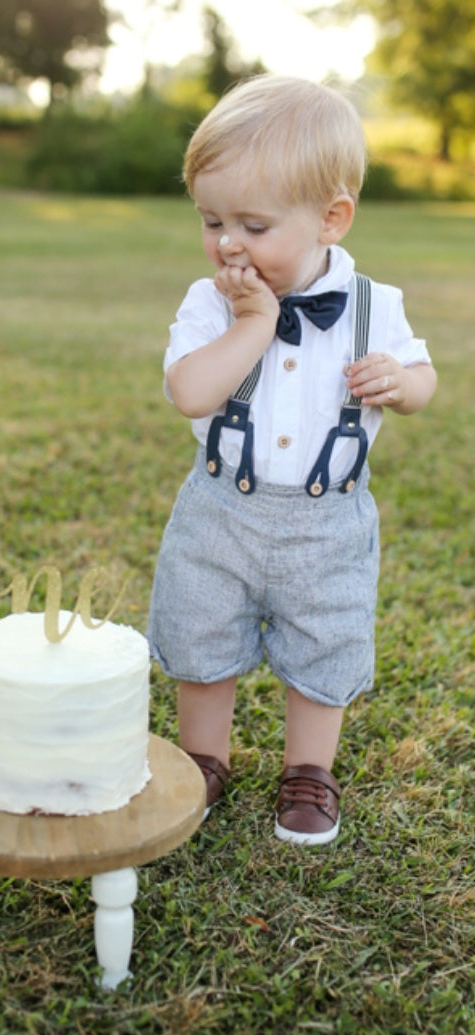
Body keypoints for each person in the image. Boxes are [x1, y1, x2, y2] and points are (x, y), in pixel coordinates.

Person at [147, 75, 437, 844]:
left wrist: (401, 383)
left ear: (330, 219)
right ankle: (202, 758)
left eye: (253, 224)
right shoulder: (209, 302)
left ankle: (308, 771)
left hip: (327, 517)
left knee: (324, 638)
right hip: (220, 511)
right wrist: (251, 322)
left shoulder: (374, 305)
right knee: (201, 632)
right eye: (211, 220)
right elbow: (189, 391)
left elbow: (423, 379)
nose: (227, 243)